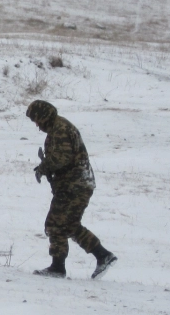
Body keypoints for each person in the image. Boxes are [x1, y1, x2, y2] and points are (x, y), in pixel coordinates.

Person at [26, 100, 117, 279]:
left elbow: (62, 158)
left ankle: (93, 258)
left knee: (61, 224)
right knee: (61, 224)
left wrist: (44, 167)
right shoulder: (56, 129)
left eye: (37, 120)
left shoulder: (60, 129)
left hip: (75, 186)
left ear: (44, 116)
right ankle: (90, 259)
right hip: (73, 185)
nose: (37, 125)